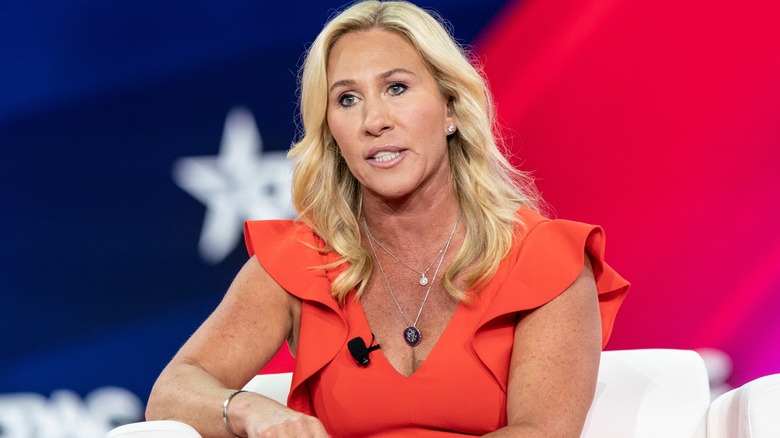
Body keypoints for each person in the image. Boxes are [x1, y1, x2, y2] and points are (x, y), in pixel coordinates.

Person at [146, 1, 629, 437]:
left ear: (451, 109)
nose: (373, 120)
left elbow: (542, 433)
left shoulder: (546, 261)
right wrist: (251, 409)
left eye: (396, 88)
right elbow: (172, 392)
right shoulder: (302, 262)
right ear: (332, 132)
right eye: (347, 99)